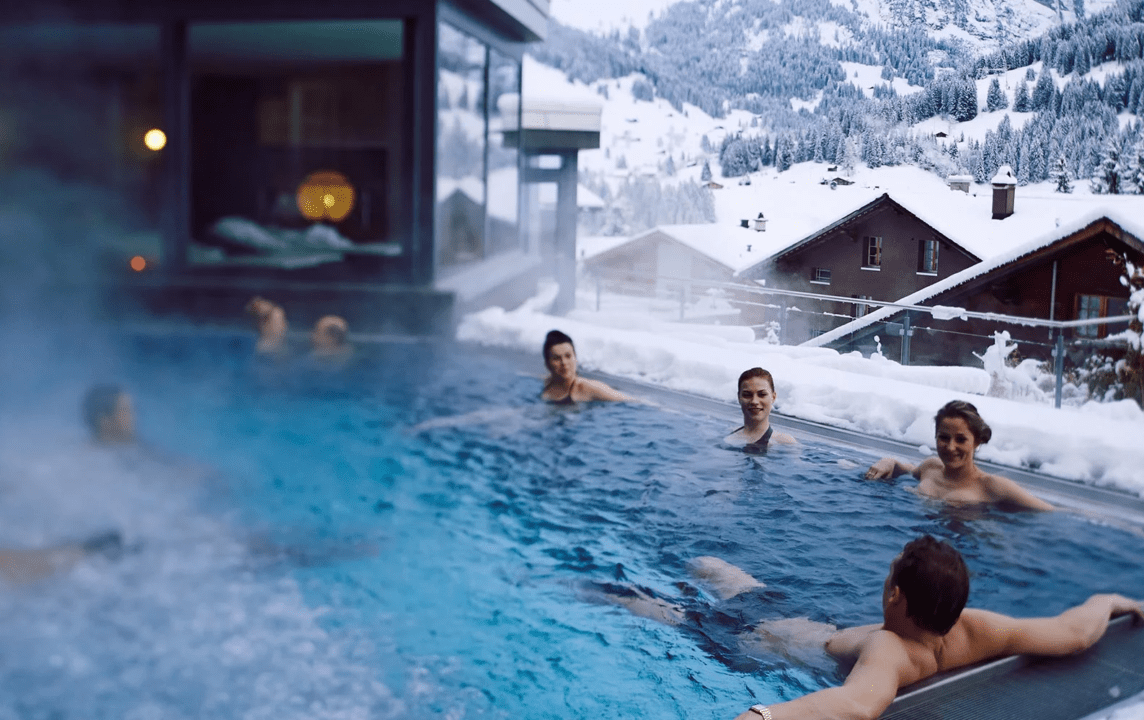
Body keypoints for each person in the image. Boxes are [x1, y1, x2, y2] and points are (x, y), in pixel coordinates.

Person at [729, 535, 1142, 720]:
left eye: (890, 577)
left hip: (764, 639)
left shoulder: (890, 648)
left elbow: (857, 705)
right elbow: (1075, 634)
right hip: (803, 629)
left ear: (895, 596)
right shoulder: (976, 627)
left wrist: (763, 715)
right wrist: (1108, 600)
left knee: (709, 576)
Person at [864, 400, 1052, 510]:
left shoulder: (992, 486)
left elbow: (1050, 512)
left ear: (976, 442)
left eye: (961, 440)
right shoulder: (931, 466)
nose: (950, 447)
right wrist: (889, 461)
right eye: (944, 438)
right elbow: (909, 470)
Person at [541, 330, 633, 403]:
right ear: (547, 364)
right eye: (557, 358)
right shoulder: (548, 383)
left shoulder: (587, 388)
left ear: (575, 358)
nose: (564, 363)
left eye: (568, 356)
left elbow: (630, 400)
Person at [724, 368, 796, 451]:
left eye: (762, 394)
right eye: (747, 395)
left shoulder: (786, 443)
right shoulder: (729, 435)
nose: (754, 401)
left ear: (773, 397)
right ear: (739, 397)